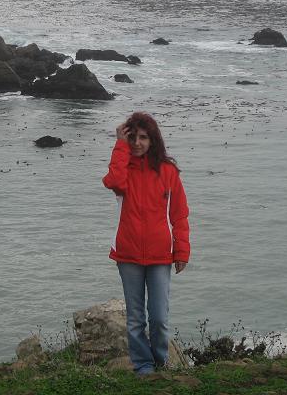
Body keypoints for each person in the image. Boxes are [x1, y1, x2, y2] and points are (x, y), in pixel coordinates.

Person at [102, 112, 190, 376]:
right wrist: (120, 145)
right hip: (127, 253)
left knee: (159, 317)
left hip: (160, 254)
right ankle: (143, 367)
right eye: (133, 138)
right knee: (135, 318)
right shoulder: (123, 169)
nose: (138, 143)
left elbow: (179, 214)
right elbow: (113, 182)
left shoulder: (168, 171)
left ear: (153, 140)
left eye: (143, 137)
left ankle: (161, 363)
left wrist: (181, 251)